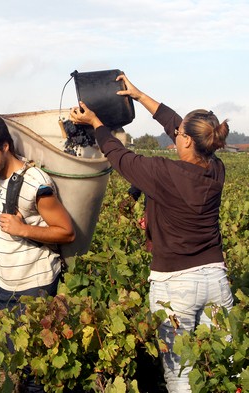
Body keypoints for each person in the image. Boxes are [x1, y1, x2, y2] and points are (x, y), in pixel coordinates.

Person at [69, 74, 233, 393]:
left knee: (180, 375)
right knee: (226, 364)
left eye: (179, 133)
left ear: (185, 140)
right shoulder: (216, 169)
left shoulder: (164, 173)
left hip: (175, 286)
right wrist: (140, 96)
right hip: (215, 279)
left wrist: (96, 123)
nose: (175, 134)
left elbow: (120, 157)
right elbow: (176, 124)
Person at [0, 112, 75, 392]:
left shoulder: (36, 184)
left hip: (33, 285)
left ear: (5, 146)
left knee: (26, 365)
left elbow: (66, 231)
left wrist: (23, 229)